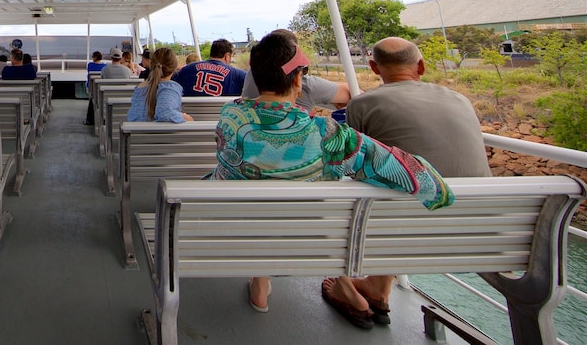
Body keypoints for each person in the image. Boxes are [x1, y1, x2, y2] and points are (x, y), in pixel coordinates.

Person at [210, 31, 453, 327]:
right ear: (298, 79)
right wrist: (440, 192)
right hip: (309, 241)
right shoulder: (325, 134)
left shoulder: (229, 117)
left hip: (234, 231)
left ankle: (261, 282)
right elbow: (395, 168)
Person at [347, 37, 490, 178]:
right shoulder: (460, 98)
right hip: (488, 195)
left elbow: (352, 163)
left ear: (374, 67)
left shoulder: (362, 105)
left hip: (413, 199)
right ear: (421, 66)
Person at [241, 30, 351, 112]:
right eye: (302, 70)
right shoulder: (308, 86)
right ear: (297, 79)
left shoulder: (232, 115)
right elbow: (352, 92)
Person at [126, 47, 193, 123]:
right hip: (156, 134)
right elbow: (165, 114)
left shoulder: (140, 87)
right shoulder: (170, 88)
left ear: (151, 65)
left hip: (135, 133)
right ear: (174, 67)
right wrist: (184, 117)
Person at [172, 39, 246, 96]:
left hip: (191, 114)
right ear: (227, 56)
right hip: (224, 114)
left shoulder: (187, 69)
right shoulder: (237, 74)